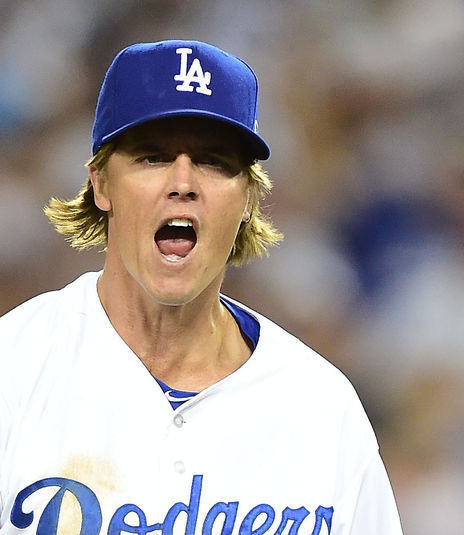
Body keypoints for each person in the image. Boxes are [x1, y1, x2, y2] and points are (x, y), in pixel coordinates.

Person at [0, 40, 402, 534]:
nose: (183, 182)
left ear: (249, 198)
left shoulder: (321, 407)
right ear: (100, 184)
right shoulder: (15, 368)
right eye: (152, 157)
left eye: (213, 161)